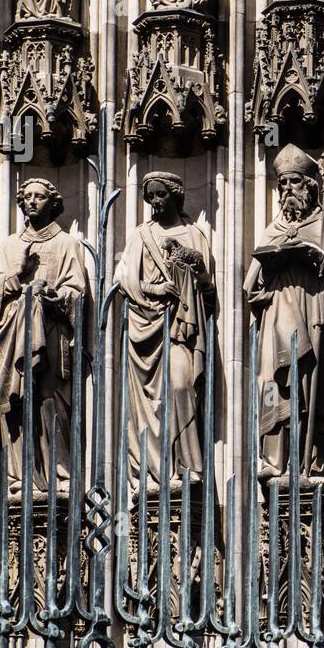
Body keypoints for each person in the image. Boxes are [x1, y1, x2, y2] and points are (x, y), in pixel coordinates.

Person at [245, 145, 324, 481]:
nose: (287, 191)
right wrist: (271, 266)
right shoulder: (273, 228)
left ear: (310, 185)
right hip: (277, 315)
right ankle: (274, 458)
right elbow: (250, 287)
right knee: (272, 383)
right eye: (282, 185)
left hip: (314, 314)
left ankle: (310, 460)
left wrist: (319, 258)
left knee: (310, 385)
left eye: (294, 183)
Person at [0, 178, 88, 495]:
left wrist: (57, 296)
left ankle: (60, 474)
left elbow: (78, 293)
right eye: (27, 196)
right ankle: (21, 477)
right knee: (17, 404)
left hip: (52, 336)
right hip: (14, 337)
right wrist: (17, 275)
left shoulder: (67, 244)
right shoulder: (10, 246)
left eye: (39, 197)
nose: (32, 201)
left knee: (50, 401)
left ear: (52, 202)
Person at [116, 172, 215, 490]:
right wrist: (154, 289)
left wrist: (192, 271)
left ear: (175, 196)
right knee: (150, 406)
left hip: (181, 330)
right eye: (150, 197)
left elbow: (207, 287)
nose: (154, 203)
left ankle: (188, 466)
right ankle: (157, 473)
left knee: (181, 384)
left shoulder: (194, 234)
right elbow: (124, 281)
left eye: (160, 195)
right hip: (146, 330)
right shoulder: (140, 236)